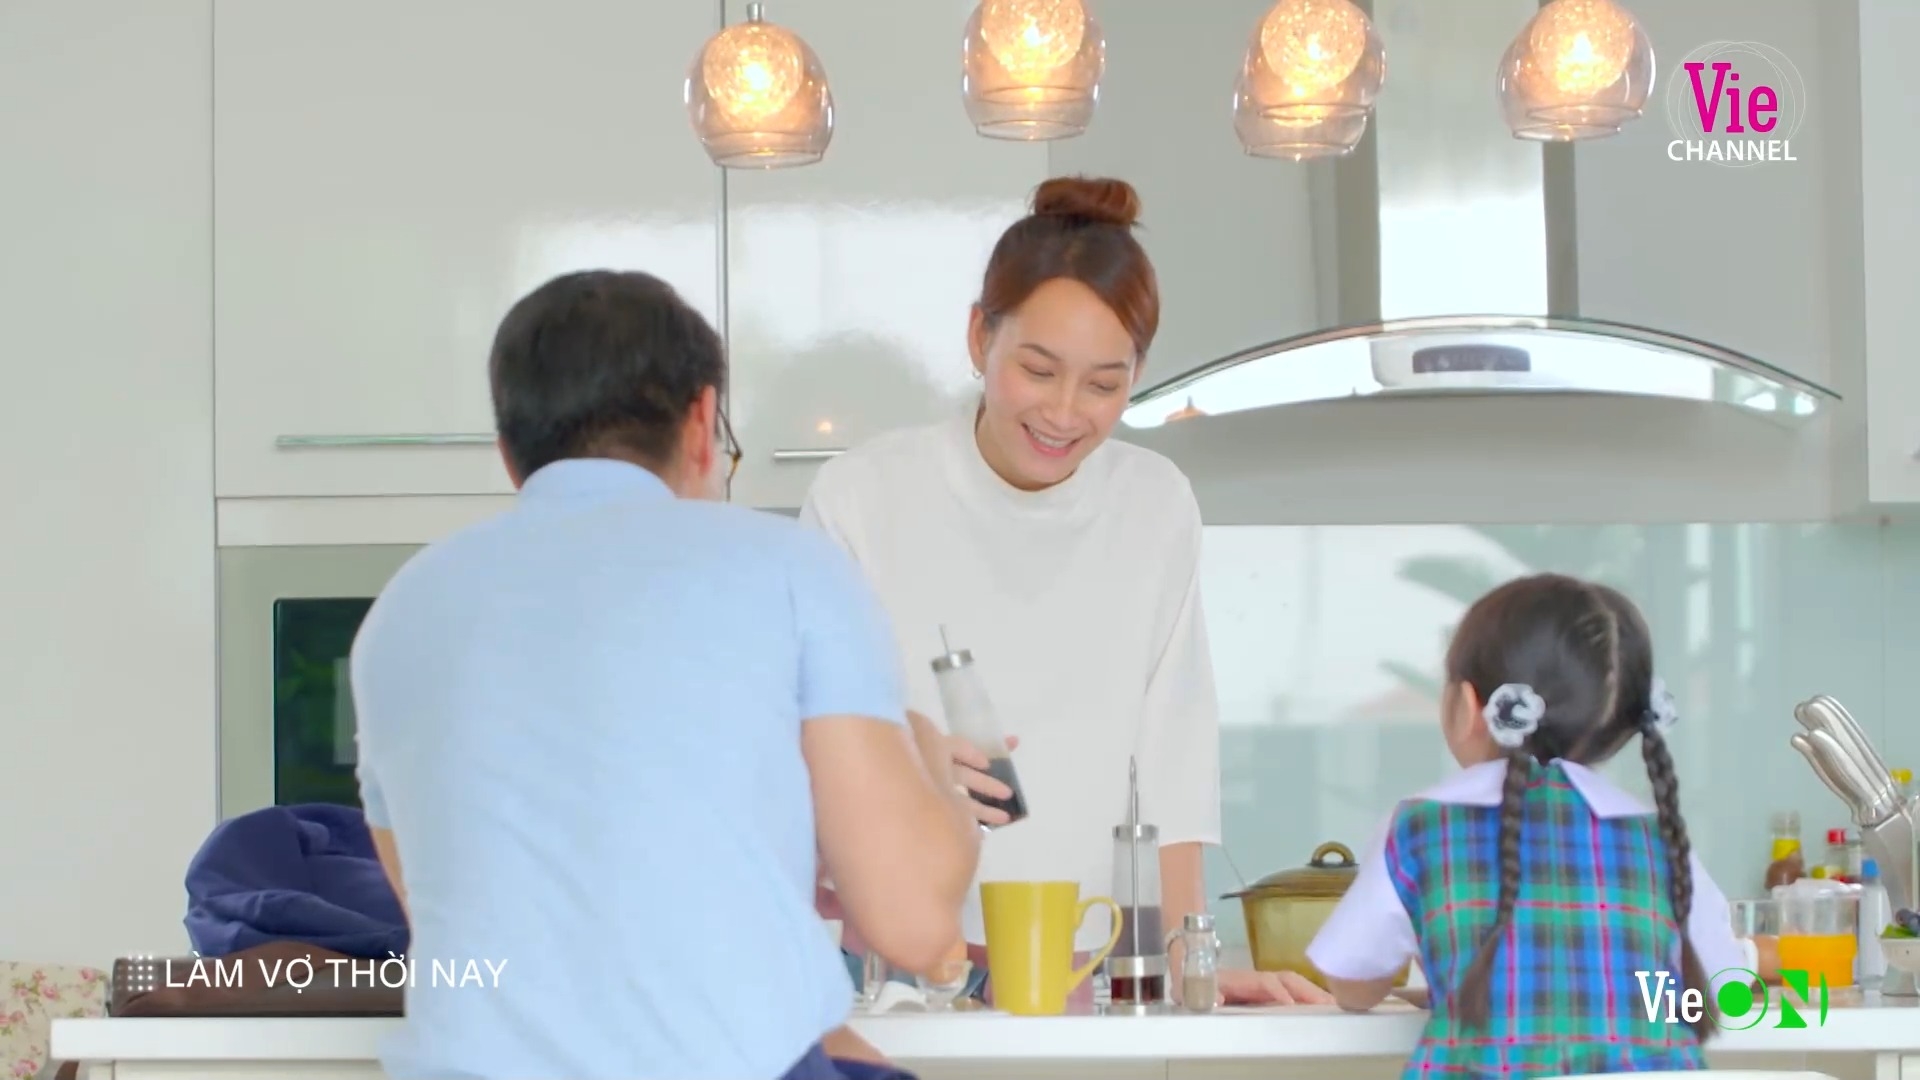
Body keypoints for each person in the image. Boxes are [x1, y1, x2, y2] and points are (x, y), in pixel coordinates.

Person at [348, 269, 981, 1080]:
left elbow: (475, 938)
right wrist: (932, 769)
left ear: (510, 454)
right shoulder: (789, 569)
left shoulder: (400, 610)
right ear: (703, 421)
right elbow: (914, 928)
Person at [801, 176, 1327, 1006]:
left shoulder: (1154, 505)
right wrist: (909, 763)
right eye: (1038, 370)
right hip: (888, 964)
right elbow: (803, 747)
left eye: (1104, 384)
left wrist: (1188, 969)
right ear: (979, 337)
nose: (1064, 412)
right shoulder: (862, 496)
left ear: (1137, 375)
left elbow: (1173, 760)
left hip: (1083, 966)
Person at [1305, 573, 1746, 1078]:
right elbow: (1720, 990)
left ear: (1467, 706)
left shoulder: (1422, 827)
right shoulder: (1656, 837)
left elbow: (1353, 982)